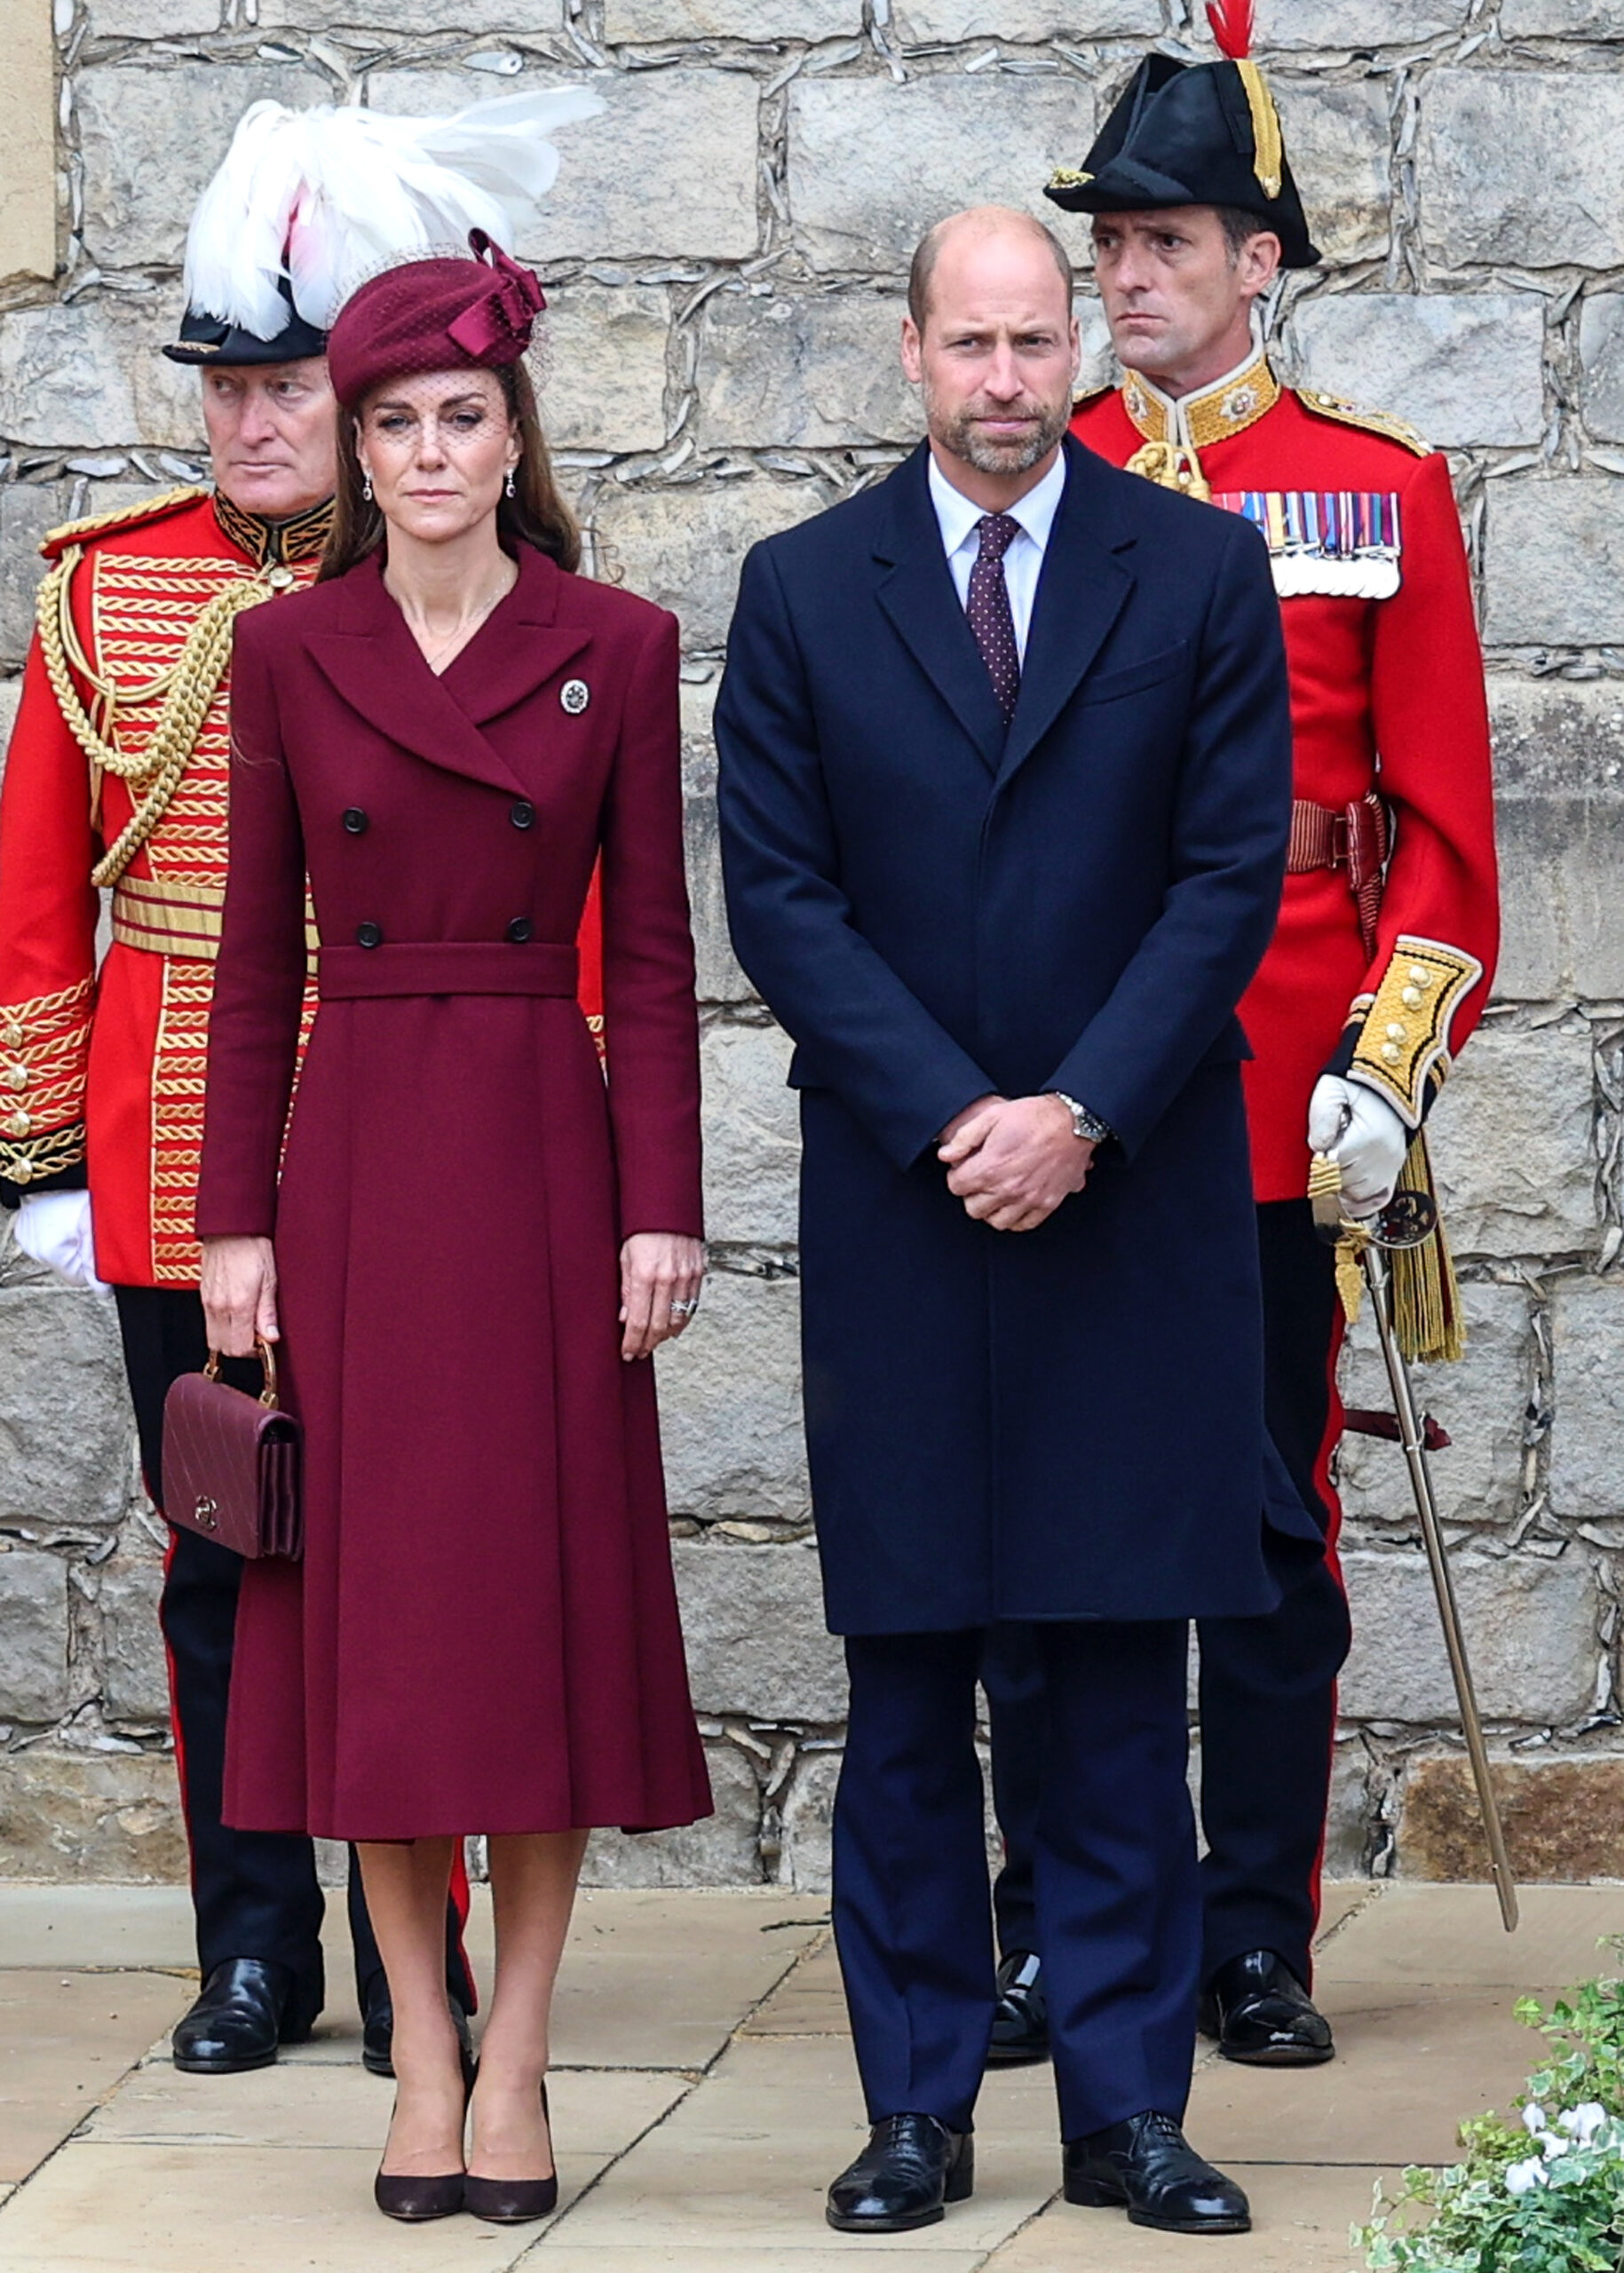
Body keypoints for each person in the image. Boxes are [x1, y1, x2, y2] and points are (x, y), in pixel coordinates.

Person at [717, 202, 1319, 2241]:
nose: (1003, 379)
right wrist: (955, 1112)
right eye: (966, 343)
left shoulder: (1201, 568)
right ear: (908, 354)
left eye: (1034, 339)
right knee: (906, 1686)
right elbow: (782, 896)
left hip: (1126, 1207)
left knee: (1115, 1684)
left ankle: (1131, 2112)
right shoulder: (803, 591)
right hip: (905, 1210)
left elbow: (1229, 872)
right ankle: (915, 2107)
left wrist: (1077, 1109)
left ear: (1083, 346)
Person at [0, 96, 558, 2077]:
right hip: (177, 1134)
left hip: (416, 1123)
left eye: (290, 384)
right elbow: (39, 890)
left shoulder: (474, 585)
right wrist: (41, 1153)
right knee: (230, 1547)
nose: (250, 424)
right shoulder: (105, 588)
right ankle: (258, 1947)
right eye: (226, 387)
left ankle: (445, 1946)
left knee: (434, 1545)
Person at [980, 4, 1498, 2074]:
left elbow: (1448, 839)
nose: (1124, 280)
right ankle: (1048, 1919)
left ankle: (1255, 1928)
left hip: (1286, 1084)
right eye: (1108, 244)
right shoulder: (1041, 475)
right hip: (1070, 1076)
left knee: (1274, 1537)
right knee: (1048, 1520)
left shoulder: (1373, 489)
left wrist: (1388, 1063)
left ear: (1259, 259)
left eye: (1168, 242)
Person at [196, 229, 712, 2227]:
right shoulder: (281, 654)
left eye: (461, 418)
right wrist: (228, 1223)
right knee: (383, 1638)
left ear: (514, 438)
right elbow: (253, 967)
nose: (426, 452)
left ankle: (521, 2055)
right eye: (392, 421)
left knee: (533, 1622)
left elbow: (653, 963)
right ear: (354, 448)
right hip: (350, 1171)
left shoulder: (623, 639)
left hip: (539, 1153)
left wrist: (660, 1202)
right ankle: (417, 2042)